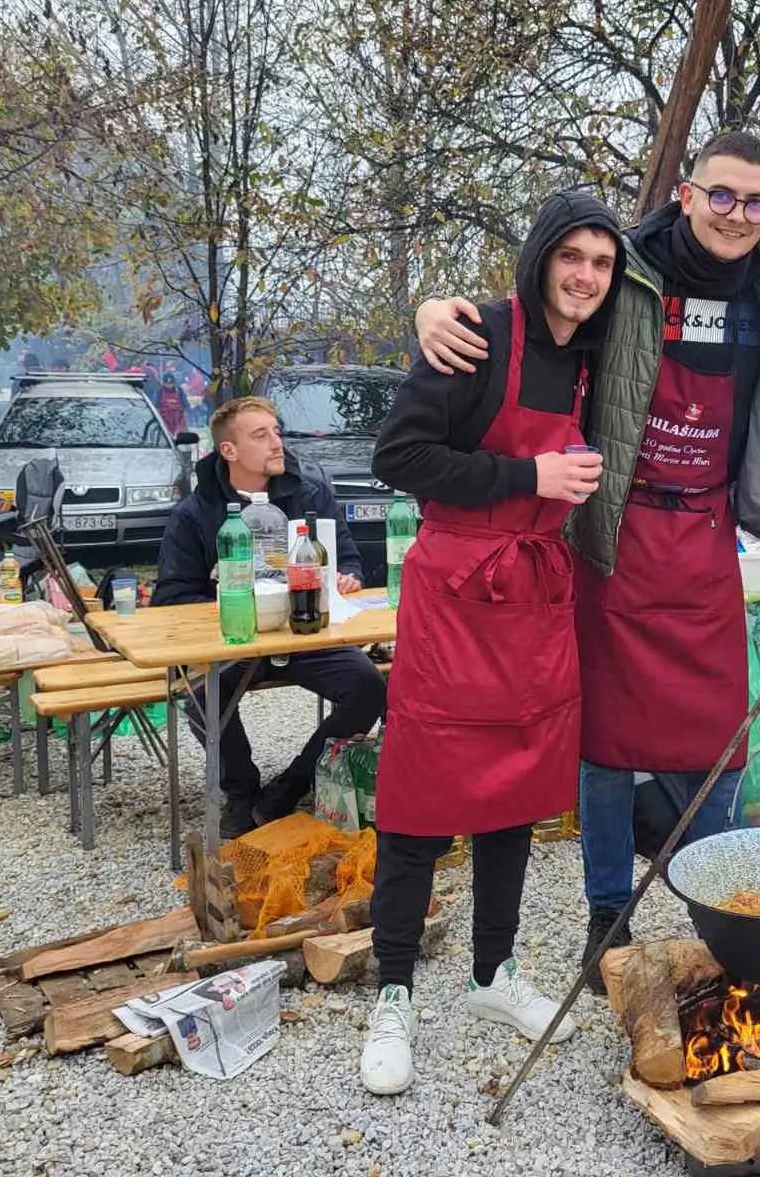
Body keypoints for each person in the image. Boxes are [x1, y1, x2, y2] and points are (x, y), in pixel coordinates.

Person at [415, 132, 760, 993]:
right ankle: (609, 912)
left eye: (756, 202)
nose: (738, 215)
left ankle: (720, 902)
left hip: (707, 537)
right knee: (604, 743)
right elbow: (540, 311)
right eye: (722, 196)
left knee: (719, 738)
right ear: (686, 192)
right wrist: (435, 311)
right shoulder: (626, 269)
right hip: (614, 535)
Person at [361, 191, 623, 1096]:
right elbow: (397, 456)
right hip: (456, 593)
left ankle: (490, 974)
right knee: (418, 802)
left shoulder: (598, 354)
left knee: (516, 792)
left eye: (601, 261)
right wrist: (530, 473)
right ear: (542, 257)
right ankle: (392, 989)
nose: (586, 275)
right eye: (572, 256)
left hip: (535, 597)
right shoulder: (476, 335)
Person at [154, 396, 387, 835]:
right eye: (261, 436)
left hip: (303, 633)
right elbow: (170, 599)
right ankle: (241, 793)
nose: (277, 443)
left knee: (369, 685)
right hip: (235, 638)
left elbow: (349, 560)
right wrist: (221, 592)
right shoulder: (196, 511)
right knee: (205, 698)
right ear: (229, 451)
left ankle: (292, 785)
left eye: (276, 431)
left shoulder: (310, 492)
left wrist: (348, 578)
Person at [157, 371, 189, 436]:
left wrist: (185, 413)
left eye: (171, 384)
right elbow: (156, 405)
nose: (169, 386)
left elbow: (186, 404)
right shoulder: (160, 391)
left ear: (174, 383)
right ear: (163, 383)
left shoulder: (180, 391)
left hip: (178, 419)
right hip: (164, 419)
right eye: (167, 384)